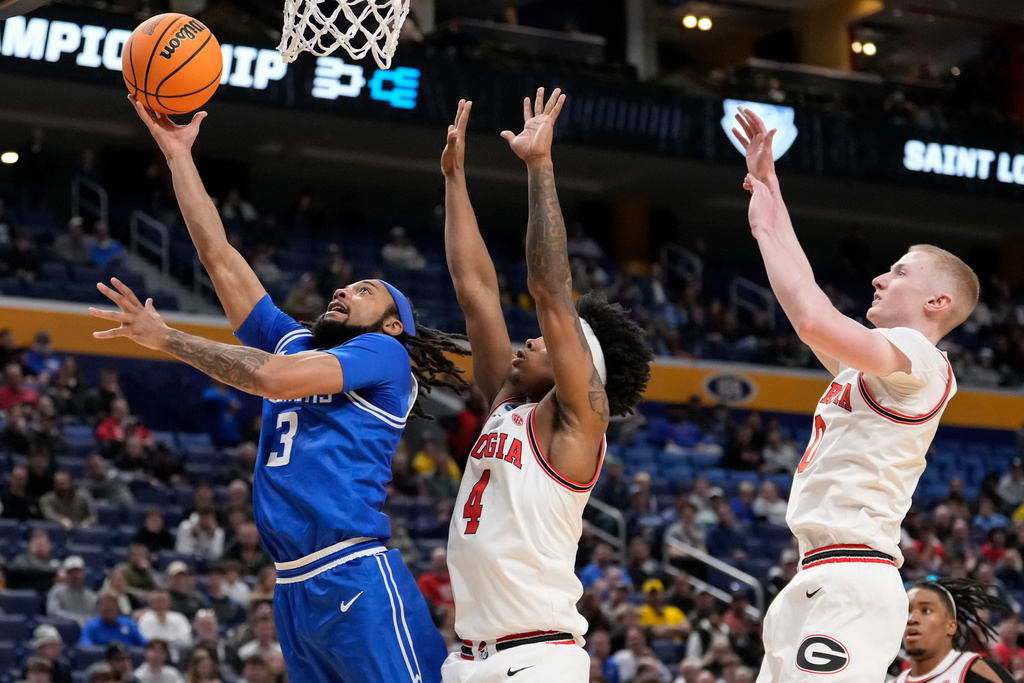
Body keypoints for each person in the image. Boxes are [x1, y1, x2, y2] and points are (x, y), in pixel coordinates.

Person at [114, 94, 469, 683]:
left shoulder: (385, 355)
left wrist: (169, 339)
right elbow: (218, 256)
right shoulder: (293, 340)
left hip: (354, 572)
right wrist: (178, 156)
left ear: (391, 324)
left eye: (365, 291)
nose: (345, 291)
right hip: (293, 586)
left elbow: (268, 379)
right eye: (346, 285)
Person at [731, 106, 978, 682]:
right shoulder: (878, 366)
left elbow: (814, 318)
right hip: (815, 576)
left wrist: (769, 217)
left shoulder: (920, 357)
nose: (879, 278)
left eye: (897, 272)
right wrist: (769, 195)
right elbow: (806, 300)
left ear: (936, 302)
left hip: (854, 578)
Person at [440, 91, 651, 681]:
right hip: (468, 658)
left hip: (536, 657)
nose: (531, 341)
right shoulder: (505, 403)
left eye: (550, 342)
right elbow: (475, 289)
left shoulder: (577, 425)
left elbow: (551, 288)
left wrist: (539, 167)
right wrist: (455, 179)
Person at [896, 578, 1014, 682]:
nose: (911, 619)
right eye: (908, 611)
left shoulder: (973, 669)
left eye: (926, 610)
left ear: (950, 626)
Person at [46, 555, 98, 625]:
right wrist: (76, 619)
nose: (75, 575)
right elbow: (53, 612)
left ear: (83, 574)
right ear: (66, 574)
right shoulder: (56, 591)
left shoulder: (92, 596)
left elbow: (96, 617)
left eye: (78, 571)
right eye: (71, 572)